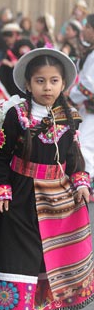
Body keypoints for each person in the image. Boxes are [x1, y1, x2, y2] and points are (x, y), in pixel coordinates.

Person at [0, 47, 93, 310]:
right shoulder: (18, 115)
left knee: (43, 259)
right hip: (21, 195)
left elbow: (73, 157)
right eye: (40, 81)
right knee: (20, 256)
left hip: (56, 199)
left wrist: (80, 183)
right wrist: (1, 189)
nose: (47, 87)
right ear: (28, 85)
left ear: (63, 85)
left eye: (54, 81)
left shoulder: (70, 117)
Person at [70, 14, 94, 192]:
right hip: (89, 108)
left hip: (91, 109)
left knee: (84, 143)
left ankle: (89, 183)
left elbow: (89, 85)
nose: (84, 30)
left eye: (87, 26)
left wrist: (70, 95)